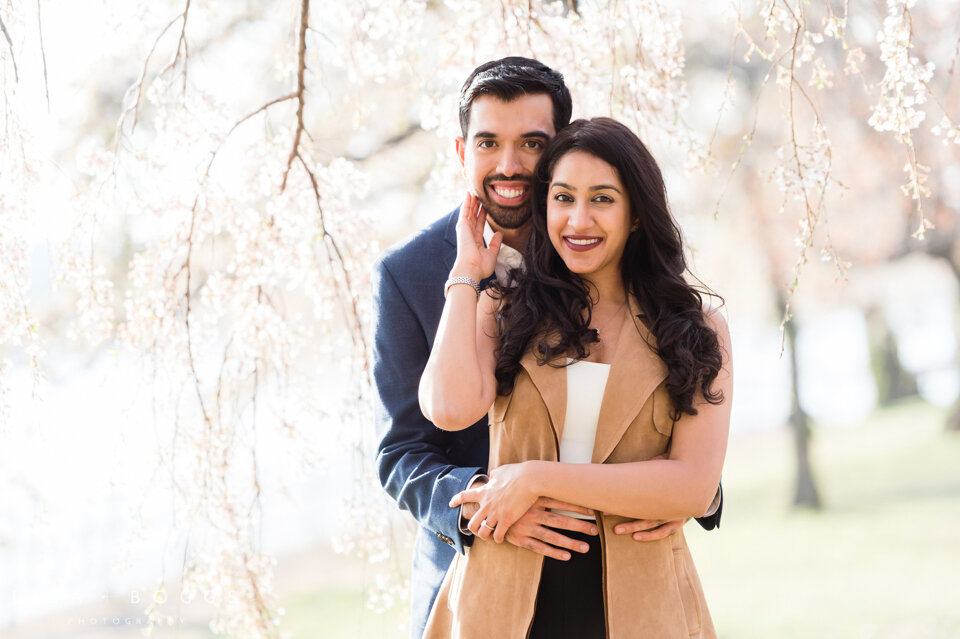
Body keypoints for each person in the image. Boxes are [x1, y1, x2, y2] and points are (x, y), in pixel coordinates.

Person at [373, 57, 721, 639]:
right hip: (478, 572)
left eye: (531, 143)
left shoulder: (616, 260)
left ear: (560, 147)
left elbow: (671, 392)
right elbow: (407, 446)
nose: (509, 165)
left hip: (627, 571)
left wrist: (682, 487)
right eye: (488, 142)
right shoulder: (414, 275)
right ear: (462, 152)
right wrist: (488, 498)